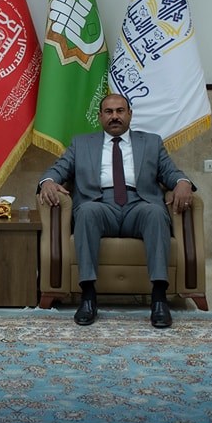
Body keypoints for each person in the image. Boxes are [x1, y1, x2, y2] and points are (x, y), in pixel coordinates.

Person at [37, 93, 194, 328]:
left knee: (155, 213)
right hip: (100, 204)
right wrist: (48, 181)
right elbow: (58, 169)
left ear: (130, 114)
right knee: (87, 212)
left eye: (120, 111)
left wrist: (183, 182)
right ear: (100, 116)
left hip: (139, 204)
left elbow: (171, 172)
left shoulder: (151, 142)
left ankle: (159, 299)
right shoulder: (81, 143)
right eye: (109, 112)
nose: (115, 117)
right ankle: (88, 297)